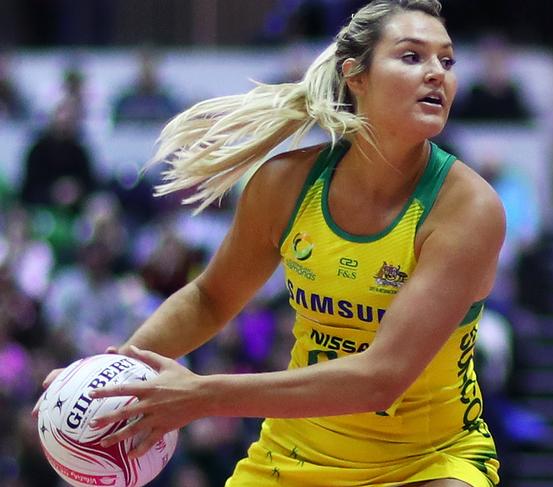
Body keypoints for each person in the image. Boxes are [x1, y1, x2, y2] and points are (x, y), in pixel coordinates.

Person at [37, 1, 505, 486]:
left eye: (446, 61)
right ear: (356, 76)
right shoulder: (286, 183)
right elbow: (210, 297)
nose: (437, 74)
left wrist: (204, 395)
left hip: (427, 462)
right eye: (412, 57)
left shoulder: (468, 209)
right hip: (293, 455)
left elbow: (381, 379)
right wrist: (109, 374)